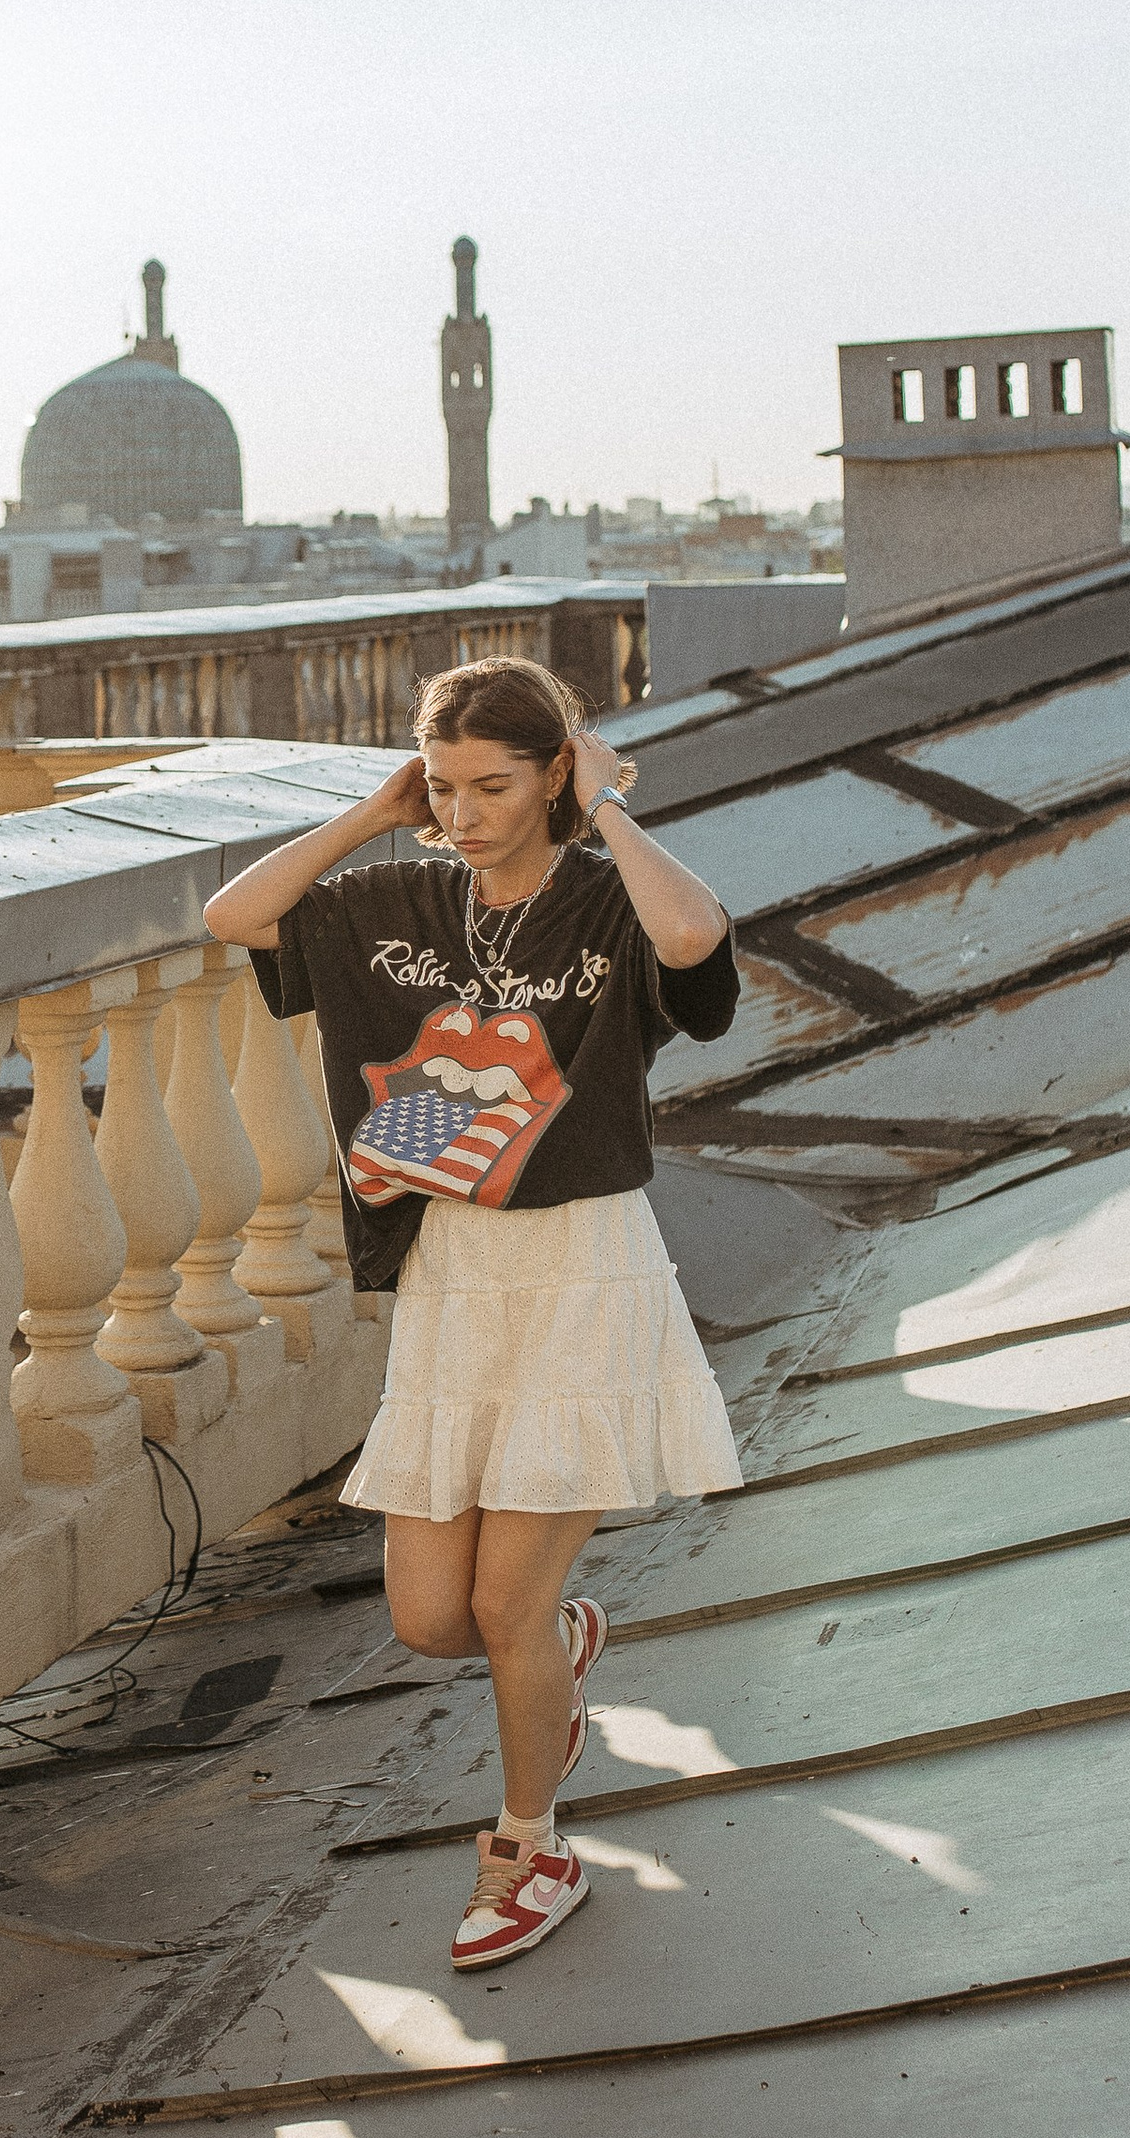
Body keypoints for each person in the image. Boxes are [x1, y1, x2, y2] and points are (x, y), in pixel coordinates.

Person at [202, 656, 742, 1969]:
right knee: (431, 1616)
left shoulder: (607, 908)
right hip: (455, 1284)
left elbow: (694, 941)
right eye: (445, 784)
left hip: (579, 1275)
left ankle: (530, 1843)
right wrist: (374, 815)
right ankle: (559, 1644)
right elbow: (235, 914)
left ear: (552, 770)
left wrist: (604, 803)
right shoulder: (399, 894)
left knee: (499, 1604)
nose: (467, 809)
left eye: (493, 784)